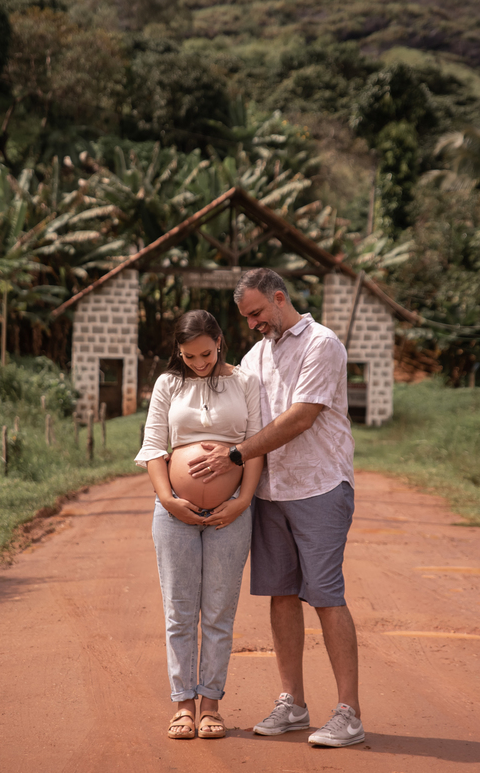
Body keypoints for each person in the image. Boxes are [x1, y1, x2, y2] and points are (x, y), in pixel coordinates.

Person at [188, 268, 363, 747]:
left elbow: (301, 417)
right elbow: (239, 421)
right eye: (246, 317)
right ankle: (294, 704)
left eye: (257, 313)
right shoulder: (254, 357)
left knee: (325, 594)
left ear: (279, 298)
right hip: (271, 494)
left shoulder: (322, 344)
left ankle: (348, 713)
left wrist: (235, 456)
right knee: (281, 595)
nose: (253, 324)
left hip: (320, 486)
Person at [135, 310, 263, 740]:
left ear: (220, 342)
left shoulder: (245, 381)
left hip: (231, 511)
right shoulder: (168, 384)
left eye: (205, 354)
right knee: (179, 612)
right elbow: (153, 446)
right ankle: (182, 706)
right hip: (175, 514)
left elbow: (256, 443)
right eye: (189, 356)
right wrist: (169, 499)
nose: (198, 363)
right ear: (179, 352)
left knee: (219, 612)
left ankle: (211, 705)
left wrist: (241, 500)